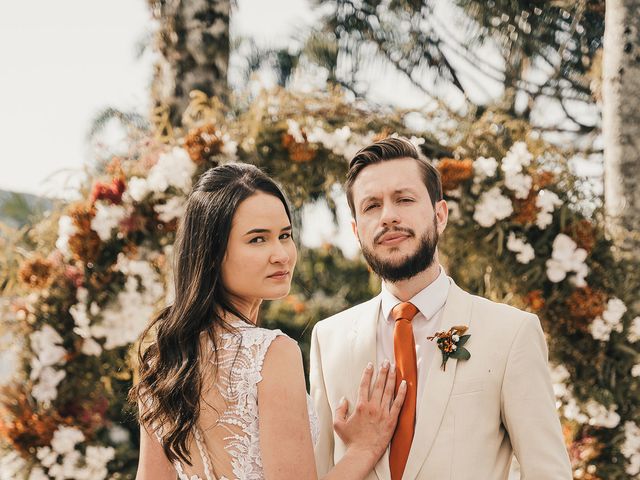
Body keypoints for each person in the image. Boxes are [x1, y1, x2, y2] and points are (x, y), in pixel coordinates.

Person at [310, 136, 573, 480]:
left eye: (404, 199)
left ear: (440, 215)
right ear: (357, 231)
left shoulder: (511, 333)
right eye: (371, 206)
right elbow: (317, 468)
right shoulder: (328, 338)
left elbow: (547, 472)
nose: (388, 216)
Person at [130, 163, 406, 480]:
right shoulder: (271, 354)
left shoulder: (166, 357)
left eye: (284, 235)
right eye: (257, 239)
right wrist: (363, 450)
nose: (281, 254)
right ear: (212, 252)